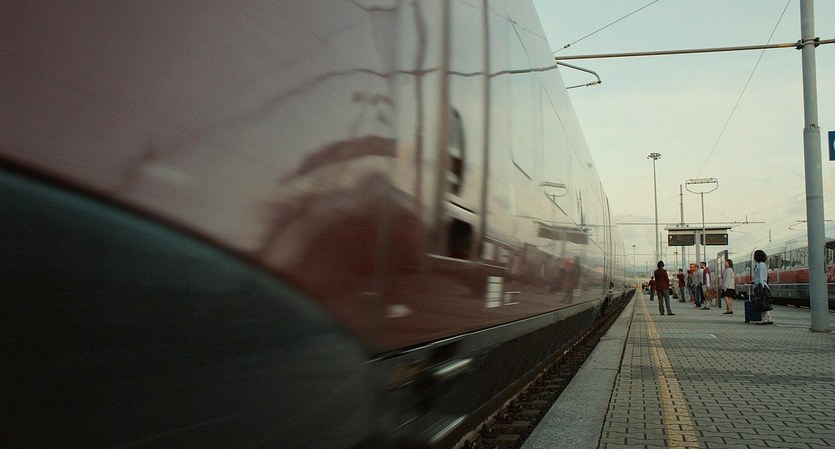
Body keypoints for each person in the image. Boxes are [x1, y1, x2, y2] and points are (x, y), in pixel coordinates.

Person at [752, 249, 773, 324]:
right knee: (764, 302)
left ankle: (764, 319)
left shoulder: (760, 265)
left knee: (762, 302)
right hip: (763, 284)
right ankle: (769, 318)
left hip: (761, 285)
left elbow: (761, 276)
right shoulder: (762, 264)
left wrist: (760, 285)